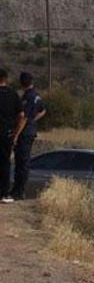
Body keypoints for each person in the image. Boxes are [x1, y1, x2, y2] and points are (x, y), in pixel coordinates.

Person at [11, 72, 46, 200]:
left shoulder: (28, 97)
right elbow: (43, 110)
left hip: (24, 133)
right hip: (31, 131)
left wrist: (16, 135)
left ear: (21, 83)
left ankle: (18, 191)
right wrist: (33, 120)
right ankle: (18, 190)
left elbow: (23, 118)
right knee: (23, 162)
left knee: (21, 162)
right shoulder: (36, 96)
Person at [0, 69, 26, 203]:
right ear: (6, 79)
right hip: (7, 134)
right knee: (5, 163)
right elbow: (22, 116)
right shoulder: (13, 94)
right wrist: (15, 133)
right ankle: (4, 193)